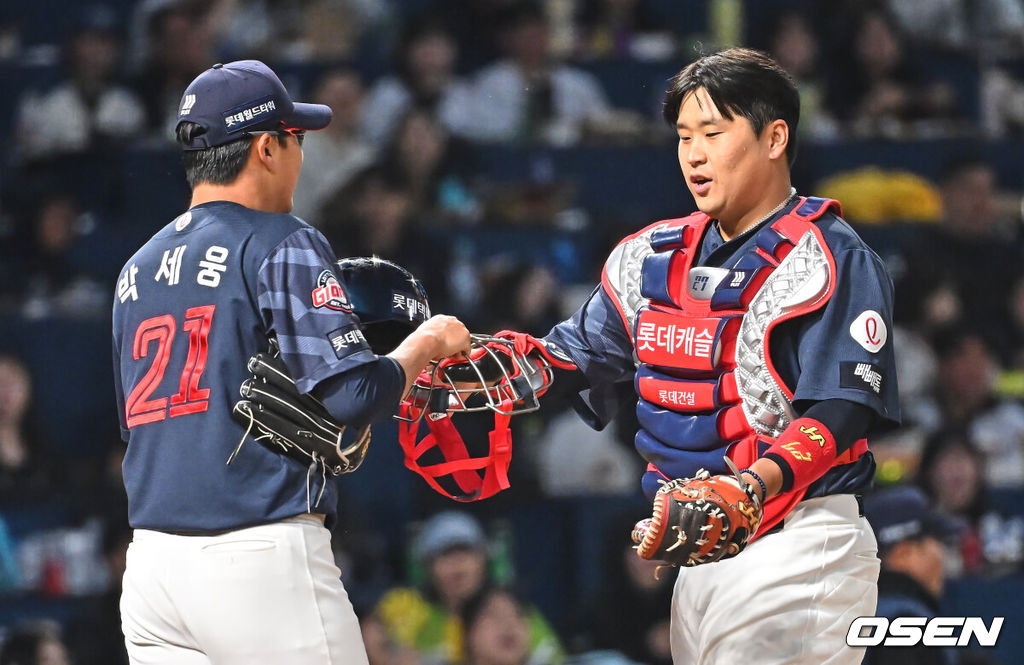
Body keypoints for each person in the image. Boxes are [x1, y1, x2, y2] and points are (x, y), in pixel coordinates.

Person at [523, 47, 899, 663]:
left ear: (774, 137)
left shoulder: (831, 256)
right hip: (697, 556)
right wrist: (487, 373)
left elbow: (842, 409)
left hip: (799, 542)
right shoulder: (653, 256)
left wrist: (750, 488)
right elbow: (574, 353)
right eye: (683, 136)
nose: (693, 154)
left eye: (714, 133)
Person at [111, 59, 471, 664]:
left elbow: (138, 430)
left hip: (151, 569)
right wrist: (425, 343)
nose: (301, 152)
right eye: (295, 136)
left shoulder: (135, 270)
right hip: (257, 558)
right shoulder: (281, 239)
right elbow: (354, 394)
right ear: (265, 149)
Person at [374, 511, 563, 665]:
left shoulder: (513, 609)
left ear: (484, 561)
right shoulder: (410, 609)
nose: (458, 563)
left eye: (467, 551)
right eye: (445, 554)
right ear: (427, 566)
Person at [862, 485, 962, 665]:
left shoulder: (868, 610)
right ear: (903, 554)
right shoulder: (904, 626)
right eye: (938, 541)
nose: (942, 554)